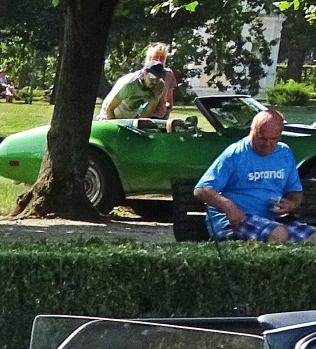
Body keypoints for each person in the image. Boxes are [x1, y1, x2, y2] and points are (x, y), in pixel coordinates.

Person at [196, 107, 316, 243]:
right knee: (278, 233)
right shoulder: (236, 153)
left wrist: (291, 204)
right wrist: (228, 206)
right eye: (261, 138)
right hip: (235, 221)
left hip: (271, 219)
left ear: (280, 135)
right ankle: (267, 264)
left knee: (313, 237)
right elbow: (201, 190)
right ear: (252, 131)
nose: (267, 144)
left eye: (273, 139)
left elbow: (295, 192)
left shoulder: (284, 153)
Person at [102, 43, 177, 124]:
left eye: (162, 58)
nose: (154, 81)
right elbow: (109, 108)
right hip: (109, 117)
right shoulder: (129, 84)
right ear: (145, 73)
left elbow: (148, 112)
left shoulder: (160, 85)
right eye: (155, 57)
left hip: (130, 120)